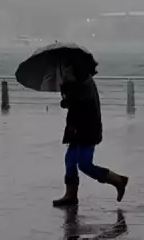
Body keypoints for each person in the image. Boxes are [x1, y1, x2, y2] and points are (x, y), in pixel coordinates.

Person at [52, 62, 129, 207]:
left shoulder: (83, 83)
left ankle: (118, 180)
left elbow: (77, 102)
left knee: (85, 164)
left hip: (86, 129)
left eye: (67, 70)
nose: (65, 73)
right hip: (78, 129)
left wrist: (66, 89)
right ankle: (71, 195)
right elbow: (72, 102)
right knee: (70, 160)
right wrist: (66, 89)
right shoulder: (80, 82)